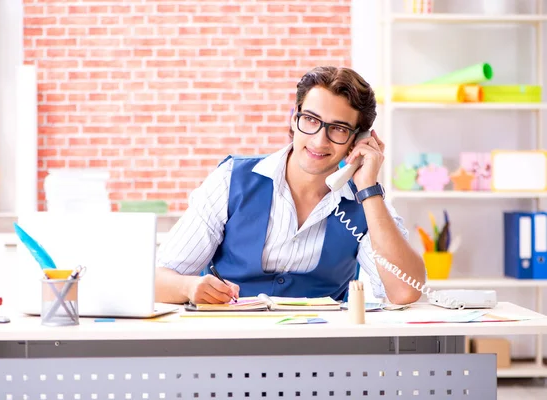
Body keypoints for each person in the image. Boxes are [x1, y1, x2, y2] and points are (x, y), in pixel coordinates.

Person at [155, 66, 426, 305]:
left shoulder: (365, 203)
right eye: (311, 120)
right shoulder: (231, 180)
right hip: (230, 345)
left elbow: (405, 292)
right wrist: (189, 287)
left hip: (323, 353)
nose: (320, 141)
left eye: (339, 128)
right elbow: (156, 278)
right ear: (294, 118)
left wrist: (369, 190)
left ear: (359, 140)